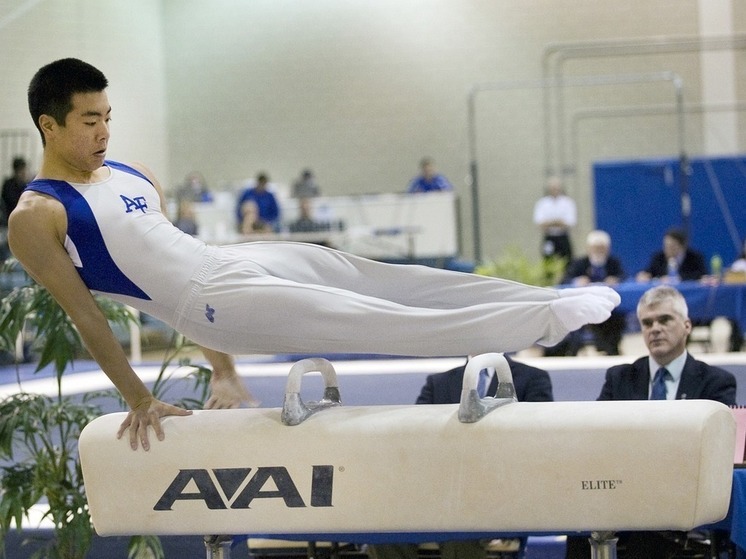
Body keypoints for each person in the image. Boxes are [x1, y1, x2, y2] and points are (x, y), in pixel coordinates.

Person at [9, 58, 619, 451]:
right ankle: (543, 324)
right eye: (89, 120)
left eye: (108, 117)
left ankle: (551, 299)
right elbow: (86, 316)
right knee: (369, 317)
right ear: (49, 126)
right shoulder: (37, 216)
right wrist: (139, 398)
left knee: (376, 277)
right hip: (211, 304)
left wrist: (223, 371)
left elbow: (170, 251)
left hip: (230, 262)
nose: (104, 132)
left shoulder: (131, 173)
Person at [566, 285, 736, 559]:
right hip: (624, 495)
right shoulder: (620, 378)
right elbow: (595, 438)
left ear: (687, 325)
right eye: (647, 323)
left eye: (664, 320)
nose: (655, 328)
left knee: (650, 541)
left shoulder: (716, 382)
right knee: (578, 533)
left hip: (682, 500)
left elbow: (715, 452)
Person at [371, 355, 553, 559]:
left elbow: (536, 444)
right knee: (385, 530)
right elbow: (417, 439)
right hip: (438, 489)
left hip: (497, 491)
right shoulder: (438, 382)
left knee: (460, 532)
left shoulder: (532, 378)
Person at [545, 230, 626, 356]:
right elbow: (565, 280)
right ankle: (572, 351)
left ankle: (611, 350)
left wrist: (616, 279)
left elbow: (623, 276)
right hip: (581, 307)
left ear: (607, 249)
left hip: (608, 310)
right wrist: (577, 281)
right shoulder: (579, 263)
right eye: (596, 248)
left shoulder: (613, 263)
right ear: (589, 248)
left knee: (617, 321)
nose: (599, 251)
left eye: (602, 248)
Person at [635, 227, 707, 283]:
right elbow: (650, 272)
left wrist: (679, 278)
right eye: (666, 246)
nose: (667, 249)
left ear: (682, 246)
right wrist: (644, 275)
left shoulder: (694, 257)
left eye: (672, 246)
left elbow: (701, 275)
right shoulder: (658, 257)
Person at [533, 176, 576, 262]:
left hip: (563, 237)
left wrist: (550, 223)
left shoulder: (568, 202)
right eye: (552, 188)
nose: (555, 190)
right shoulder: (542, 203)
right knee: (547, 260)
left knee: (567, 261)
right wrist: (558, 222)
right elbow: (540, 223)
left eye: (556, 188)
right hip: (549, 237)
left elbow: (570, 222)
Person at [1, 157, 31, 260]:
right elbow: (12, 202)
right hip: (10, 220)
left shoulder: (26, 184)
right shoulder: (9, 184)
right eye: (22, 170)